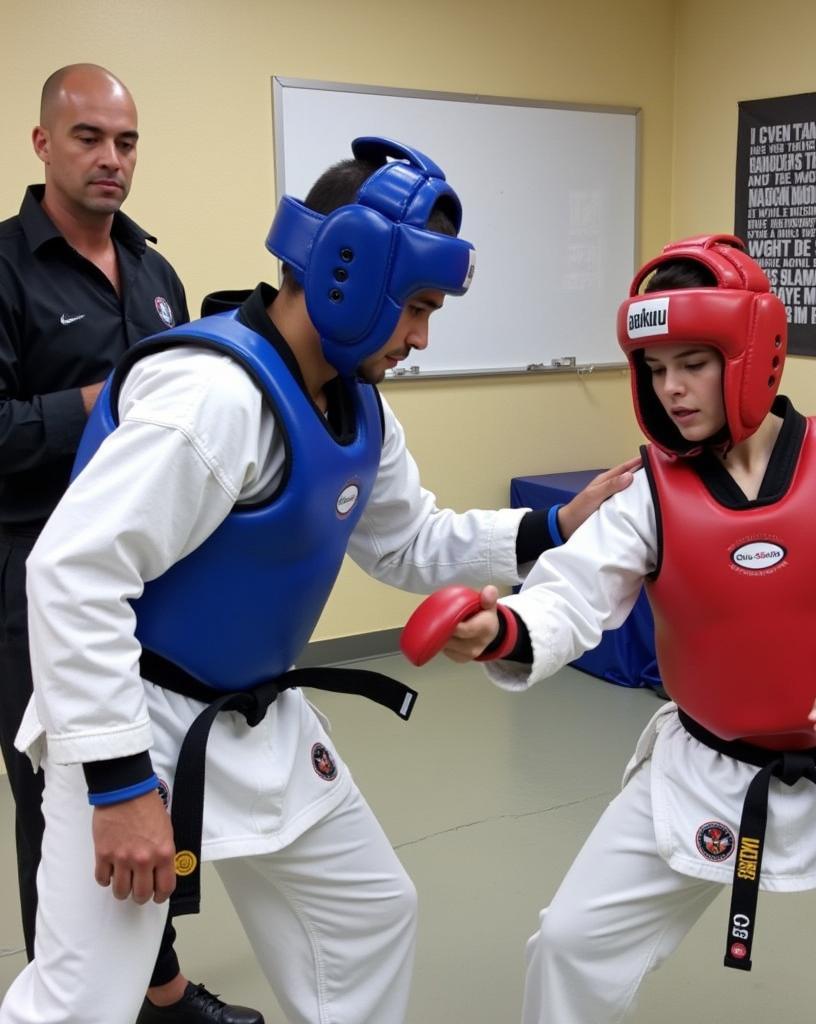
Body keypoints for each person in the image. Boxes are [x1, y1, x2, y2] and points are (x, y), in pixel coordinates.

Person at [0, 135, 634, 1024]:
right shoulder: (212, 401)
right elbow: (69, 574)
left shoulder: (356, 402)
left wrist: (555, 525)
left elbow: (409, 541)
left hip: (261, 715)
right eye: (415, 307)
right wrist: (118, 787)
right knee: (84, 1000)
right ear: (349, 271)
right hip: (135, 721)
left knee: (368, 915)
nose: (418, 338)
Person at [410, 234, 816, 1023]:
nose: (672, 390)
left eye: (692, 363)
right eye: (655, 369)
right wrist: (501, 629)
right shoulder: (649, 493)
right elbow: (573, 593)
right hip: (703, 771)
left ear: (751, 352)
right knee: (567, 946)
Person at [0, 64, 263, 1024]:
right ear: (41, 145)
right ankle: (70, 999)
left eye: (126, 141)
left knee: (148, 784)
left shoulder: (156, 273)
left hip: (148, 581)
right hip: (34, 578)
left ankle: (160, 990)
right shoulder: (4, 270)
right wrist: (103, 407)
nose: (111, 159)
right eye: (88, 139)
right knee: (60, 801)